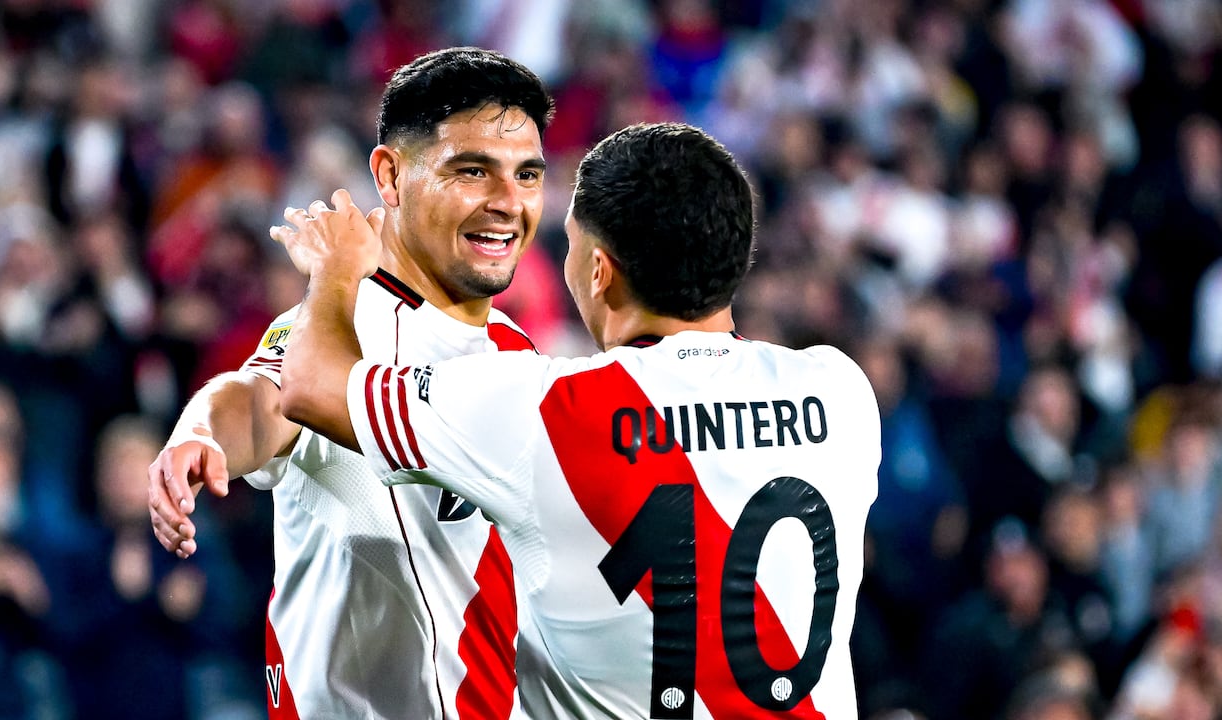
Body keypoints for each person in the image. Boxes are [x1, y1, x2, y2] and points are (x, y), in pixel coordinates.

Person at [274, 123, 881, 718]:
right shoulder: (840, 390)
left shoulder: (543, 412)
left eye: (569, 245)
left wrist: (335, 269)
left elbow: (308, 388)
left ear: (598, 270)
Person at [147, 47, 554, 719]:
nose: (508, 202)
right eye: (473, 170)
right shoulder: (335, 328)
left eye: (527, 173)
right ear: (390, 176)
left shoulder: (516, 351)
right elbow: (256, 401)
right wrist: (198, 434)